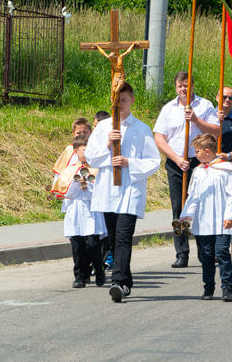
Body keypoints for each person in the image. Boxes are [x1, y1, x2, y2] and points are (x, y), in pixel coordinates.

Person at [85, 82, 160, 303]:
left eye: (124, 100)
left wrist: (130, 162)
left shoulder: (141, 128)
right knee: (112, 241)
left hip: (129, 189)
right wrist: (108, 144)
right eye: (117, 100)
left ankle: (117, 281)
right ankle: (126, 281)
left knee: (123, 237)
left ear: (132, 100)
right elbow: (90, 156)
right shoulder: (103, 127)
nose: (120, 104)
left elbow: (154, 161)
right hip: (108, 189)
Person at [153, 71, 220, 268]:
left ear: (192, 86)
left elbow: (216, 131)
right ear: (176, 87)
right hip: (177, 164)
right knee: (179, 208)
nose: (184, 89)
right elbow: (159, 137)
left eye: (187, 85)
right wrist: (176, 158)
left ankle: (205, 251)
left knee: (200, 207)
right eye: (180, 85)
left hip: (200, 163)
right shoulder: (168, 109)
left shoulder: (205, 105)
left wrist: (196, 120)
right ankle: (181, 252)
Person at [179, 133, 232, 302]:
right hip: (203, 221)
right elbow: (193, 196)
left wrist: (230, 216)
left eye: (197, 151)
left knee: (222, 252)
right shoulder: (198, 171)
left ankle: (227, 287)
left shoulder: (225, 170)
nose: (195, 154)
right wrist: (187, 215)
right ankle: (208, 287)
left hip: (222, 220)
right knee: (206, 254)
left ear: (207, 151)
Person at [64, 137, 106, 288]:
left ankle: (99, 271)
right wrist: (76, 184)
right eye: (83, 150)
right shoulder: (69, 170)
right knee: (77, 247)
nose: (86, 153)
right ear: (76, 152)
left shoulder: (96, 168)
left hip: (91, 211)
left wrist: (87, 187)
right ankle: (80, 276)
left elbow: (100, 192)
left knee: (92, 245)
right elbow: (65, 192)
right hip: (75, 211)